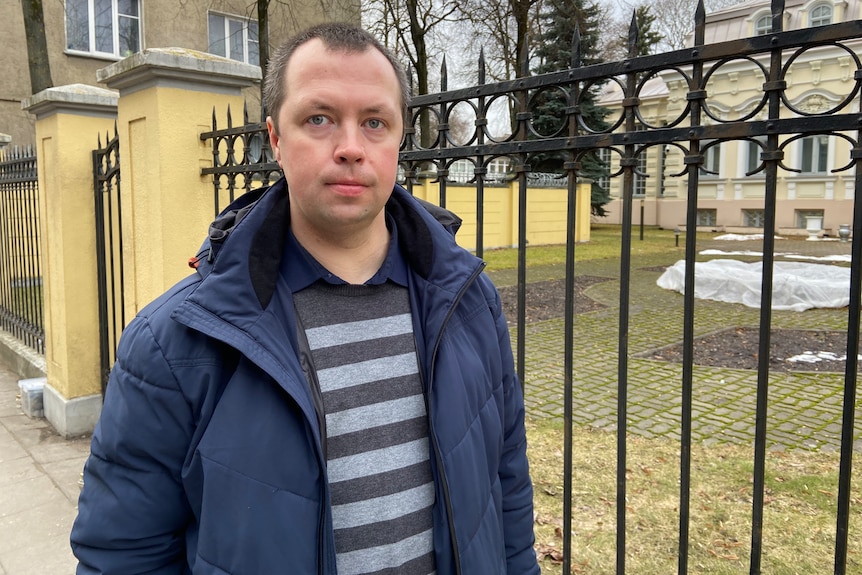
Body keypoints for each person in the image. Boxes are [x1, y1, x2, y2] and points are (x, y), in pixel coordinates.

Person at [71, 22, 539, 575]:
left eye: (374, 123)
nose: (349, 148)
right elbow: (124, 555)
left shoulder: (469, 303)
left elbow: (505, 489)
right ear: (274, 139)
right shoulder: (175, 342)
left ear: (399, 140)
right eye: (318, 119)